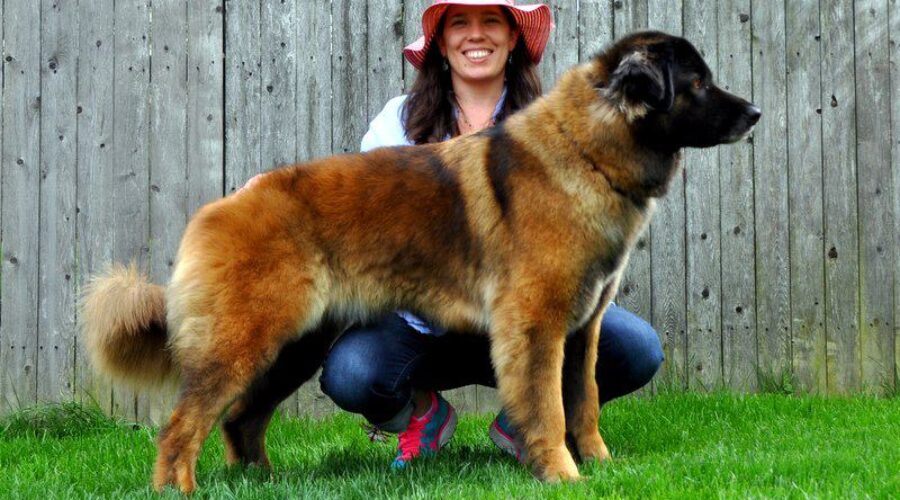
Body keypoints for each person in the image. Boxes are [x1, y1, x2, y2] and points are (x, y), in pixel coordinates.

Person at [314, 0, 665, 469]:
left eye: (490, 22)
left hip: (527, 324)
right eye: (459, 22)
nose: (475, 35)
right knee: (352, 374)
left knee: (636, 348)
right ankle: (425, 414)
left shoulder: (553, 125)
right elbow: (353, 204)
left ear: (514, 36)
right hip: (423, 324)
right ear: (441, 41)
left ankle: (525, 422)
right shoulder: (397, 122)